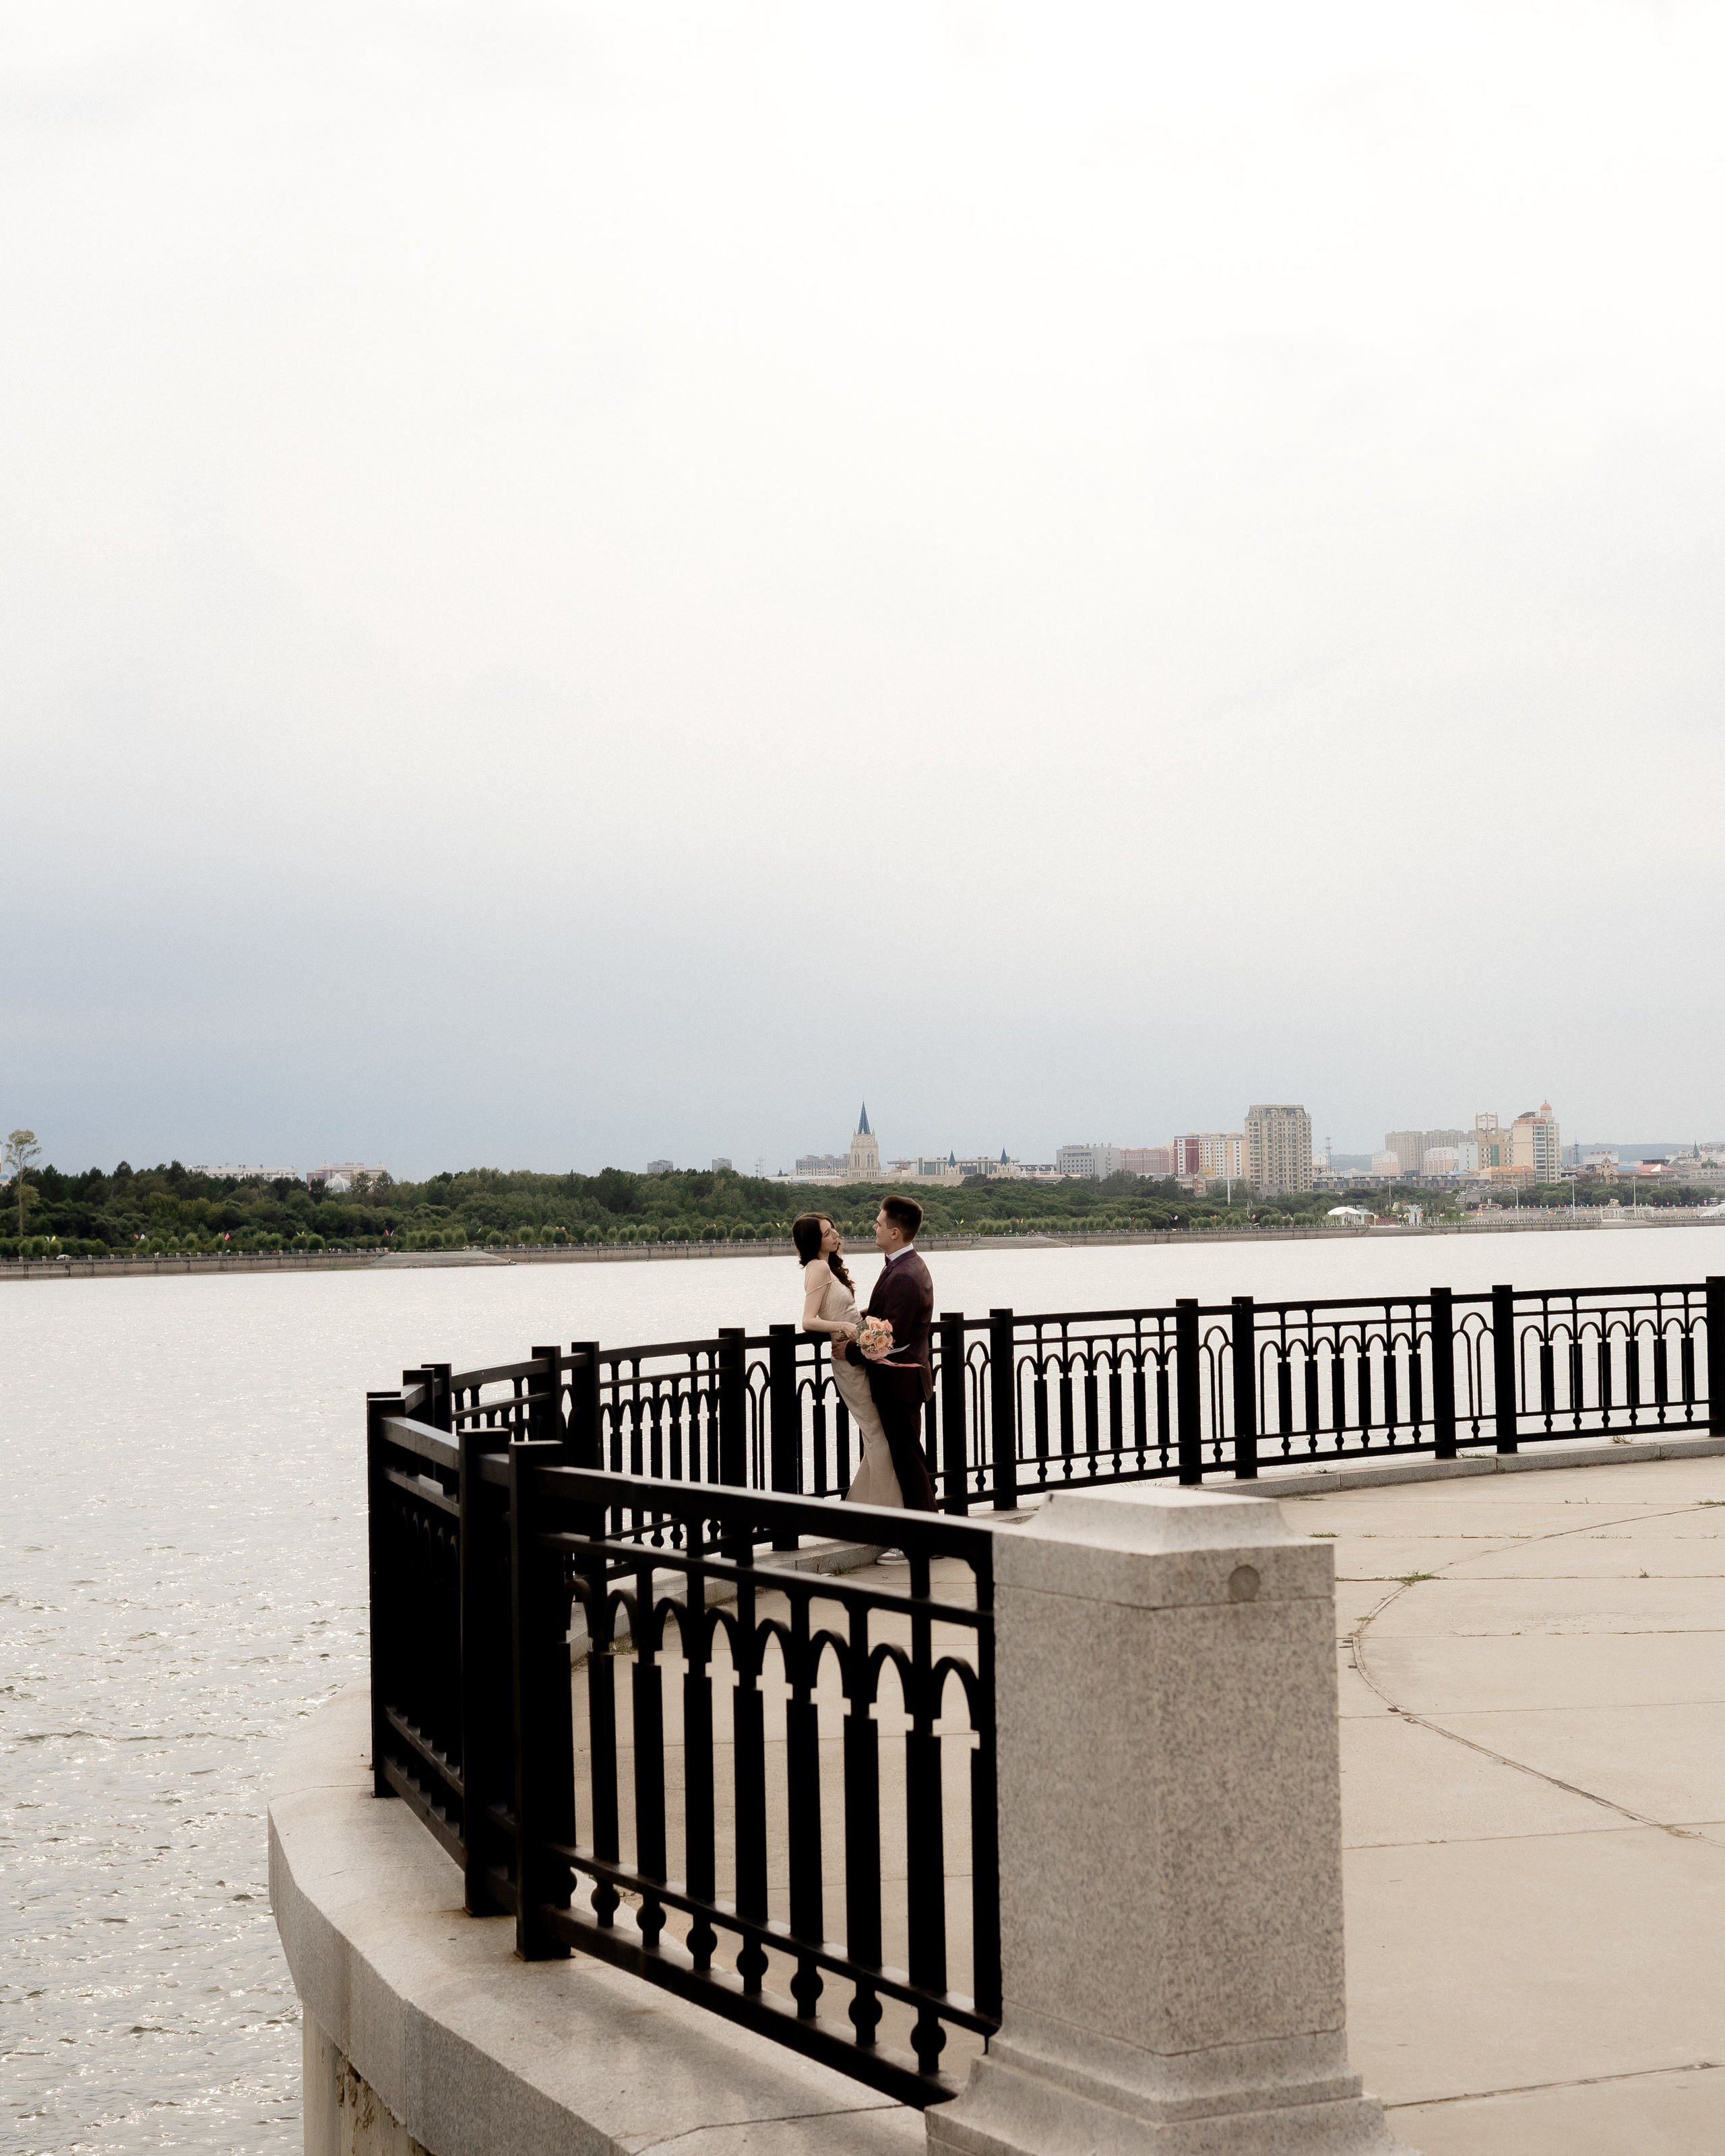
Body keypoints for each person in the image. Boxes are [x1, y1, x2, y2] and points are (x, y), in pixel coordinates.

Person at [792, 1212, 902, 1508]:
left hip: (858, 1354)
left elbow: (839, 1309)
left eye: (833, 1229)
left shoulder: (825, 1266)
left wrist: (863, 1317)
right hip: (847, 1362)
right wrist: (844, 1326)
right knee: (877, 1434)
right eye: (827, 1233)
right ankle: (888, 1511)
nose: (835, 1235)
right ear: (814, 1240)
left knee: (876, 1434)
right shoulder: (818, 1267)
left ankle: (863, 1507)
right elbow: (808, 1320)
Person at [842, 1194, 938, 1513]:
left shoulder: (905, 1275)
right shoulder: (906, 1266)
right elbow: (885, 1317)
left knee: (908, 1461)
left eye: (879, 1223)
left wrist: (851, 1350)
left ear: (895, 1232)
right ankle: (921, 1527)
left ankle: (929, 1532)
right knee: (907, 1459)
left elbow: (890, 1339)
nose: (875, 1227)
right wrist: (858, 1320)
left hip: (900, 1383)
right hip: (904, 1382)